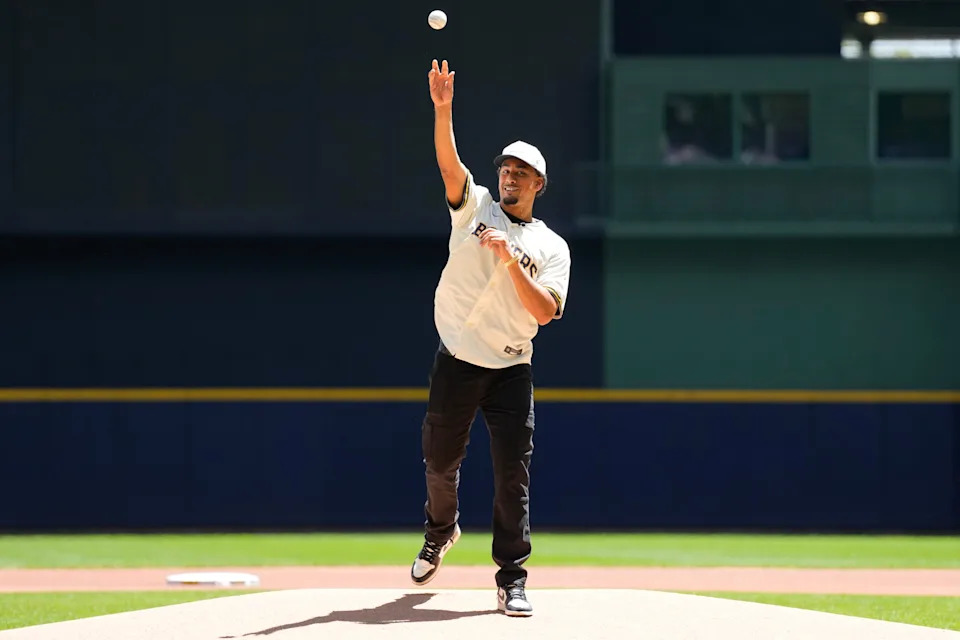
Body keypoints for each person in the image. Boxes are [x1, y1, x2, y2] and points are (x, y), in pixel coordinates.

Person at [409, 59, 571, 618]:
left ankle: (511, 577)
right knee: (439, 463)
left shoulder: (551, 247)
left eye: (521, 171)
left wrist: (508, 260)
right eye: (505, 167)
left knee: (511, 476)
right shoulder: (474, 207)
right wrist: (443, 108)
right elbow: (449, 165)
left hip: (509, 367)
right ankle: (440, 530)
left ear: (538, 185)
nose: (509, 175)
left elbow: (546, 311)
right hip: (455, 359)